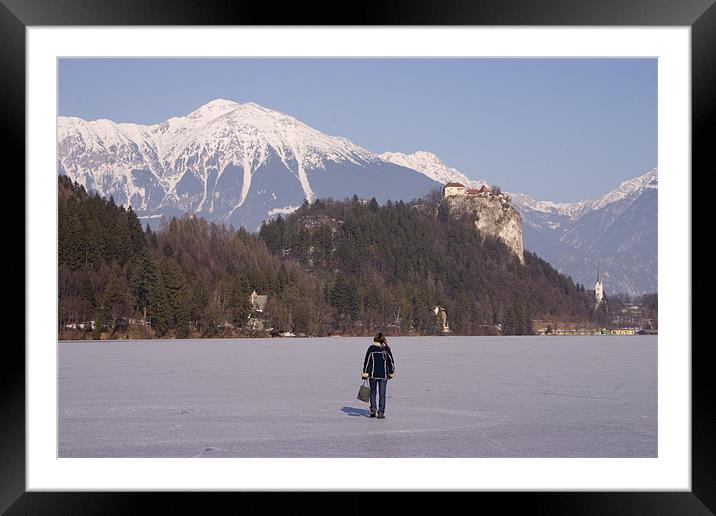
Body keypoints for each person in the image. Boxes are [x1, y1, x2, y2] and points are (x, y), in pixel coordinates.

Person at [361, 332, 395, 419]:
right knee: (382, 394)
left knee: (373, 392)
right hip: (383, 375)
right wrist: (391, 372)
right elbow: (391, 362)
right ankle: (381, 412)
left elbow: (367, 362)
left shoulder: (371, 349)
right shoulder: (386, 349)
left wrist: (365, 373)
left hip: (373, 374)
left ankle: (373, 409)